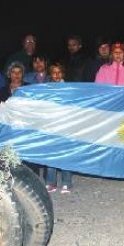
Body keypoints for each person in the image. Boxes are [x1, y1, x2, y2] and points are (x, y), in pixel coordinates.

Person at [44, 62, 74, 193]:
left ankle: (67, 182)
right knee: (51, 152)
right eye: (53, 72)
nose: (56, 75)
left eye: (59, 72)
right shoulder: (46, 88)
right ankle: (51, 182)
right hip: (51, 125)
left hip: (66, 124)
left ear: (63, 73)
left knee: (65, 153)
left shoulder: (69, 88)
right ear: (50, 74)